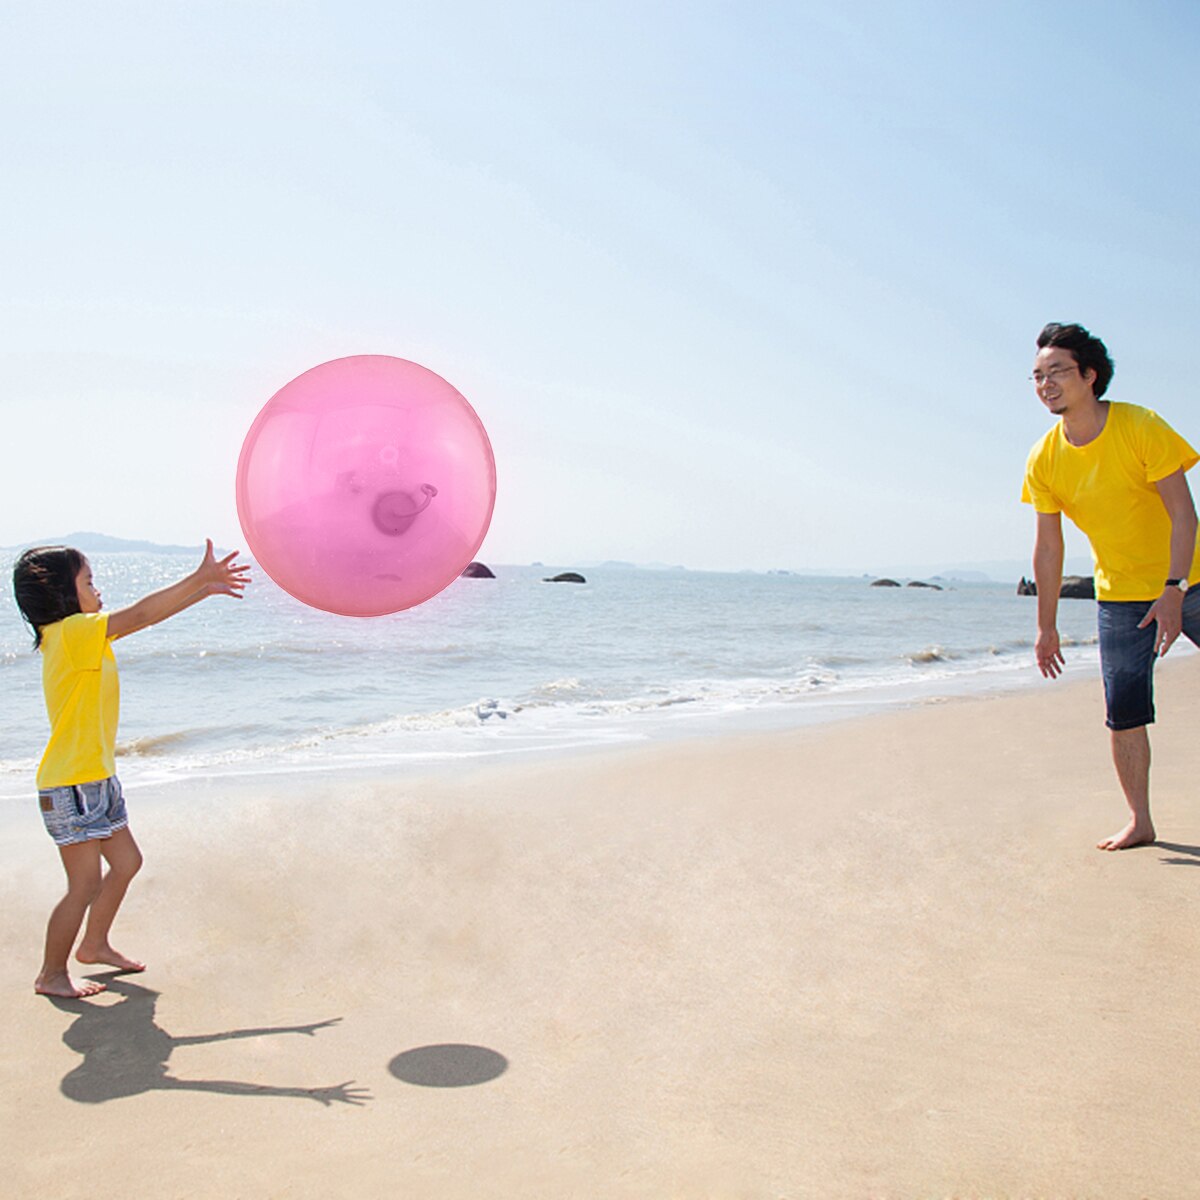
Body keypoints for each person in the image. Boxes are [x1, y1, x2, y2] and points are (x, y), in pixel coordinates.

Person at [12, 540, 250, 997]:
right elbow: (139, 614)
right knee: (82, 885)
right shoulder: (70, 633)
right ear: (62, 593)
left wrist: (203, 592)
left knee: (126, 863)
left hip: (95, 779)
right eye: (89, 582)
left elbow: (147, 619)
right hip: (72, 785)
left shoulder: (79, 636)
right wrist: (199, 578)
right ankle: (51, 974)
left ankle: (95, 944)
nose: (98, 591)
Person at [1021, 323, 1200, 850]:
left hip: (1193, 578)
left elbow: (1184, 513)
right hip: (1120, 594)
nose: (1045, 383)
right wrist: (1046, 626)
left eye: (1057, 371)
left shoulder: (1139, 425)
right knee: (1124, 712)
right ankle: (1140, 821)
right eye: (1036, 375)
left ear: (1090, 375)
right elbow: (1049, 549)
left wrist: (1175, 588)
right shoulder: (1043, 458)